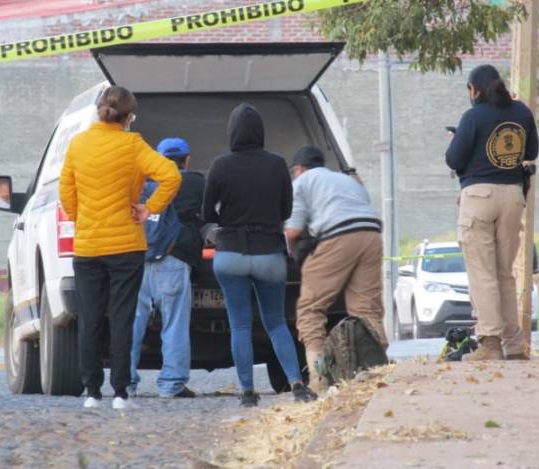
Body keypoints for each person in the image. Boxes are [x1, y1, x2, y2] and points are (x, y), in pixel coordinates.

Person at [59, 86, 181, 409]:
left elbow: (65, 191)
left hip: (87, 247)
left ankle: (91, 392)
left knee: (90, 318)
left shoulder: (78, 144)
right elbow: (171, 175)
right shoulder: (132, 145)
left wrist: (80, 218)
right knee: (122, 317)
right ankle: (121, 392)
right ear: (128, 118)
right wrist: (148, 208)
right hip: (126, 245)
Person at [203, 103, 317, 407]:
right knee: (277, 323)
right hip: (269, 253)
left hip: (229, 254)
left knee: (239, 324)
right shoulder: (277, 164)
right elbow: (287, 211)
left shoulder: (220, 165)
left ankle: (247, 392)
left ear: (232, 133)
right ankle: (297, 385)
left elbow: (206, 212)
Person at [445, 64, 539, 361]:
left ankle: (489, 344)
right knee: (505, 275)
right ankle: (514, 345)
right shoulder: (522, 113)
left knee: (482, 274)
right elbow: (531, 152)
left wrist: (458, 140)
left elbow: (454, 159)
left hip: (478, 196)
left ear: (474, 89)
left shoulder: (472, 117)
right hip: (513, 197)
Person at [284, 146, 386, 390]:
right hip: (371, 235)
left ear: (298, 169)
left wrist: (290, 252)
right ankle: (376, 370)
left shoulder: (302, 182)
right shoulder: (346, 180)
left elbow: (293, 231)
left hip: (337, 237)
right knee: (366, 308)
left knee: (310, 309)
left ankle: (318, 380)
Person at [129, 137, 204, 399]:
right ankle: (171, 385)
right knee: (174, 324)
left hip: (137, 260)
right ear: (187, 160)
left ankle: (125, 383)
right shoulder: (193, 182)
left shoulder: (139, 185)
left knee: (132, 323)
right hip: (173, 260)